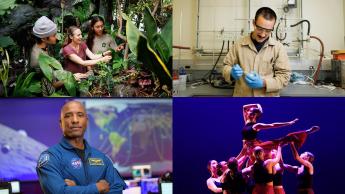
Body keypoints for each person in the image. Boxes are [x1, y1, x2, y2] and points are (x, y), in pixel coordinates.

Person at [36, 100, 126, 194]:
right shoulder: (50, 157)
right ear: (61, 123)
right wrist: (97, 189)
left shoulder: (102, 158)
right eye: (68, 116)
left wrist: (75, 190)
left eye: (80, 115)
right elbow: (58, 192)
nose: (75, 120)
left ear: (86, 121)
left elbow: (117, 189)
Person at [222, 7, 291, 96]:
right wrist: (231, 72)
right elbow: (225, 67)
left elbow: (284, 77)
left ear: (273, 28)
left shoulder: (278, 48)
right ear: (254, 23)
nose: (263, 34)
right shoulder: (238, 45)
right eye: (260, 28)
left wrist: (264, 83)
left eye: (268, 31)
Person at [30, 16, 64, 94]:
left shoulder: (45, 45)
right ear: (43, 38)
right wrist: (71, 77)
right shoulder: (37, 60)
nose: (57, 37)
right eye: (54, 35)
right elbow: (52, 86)